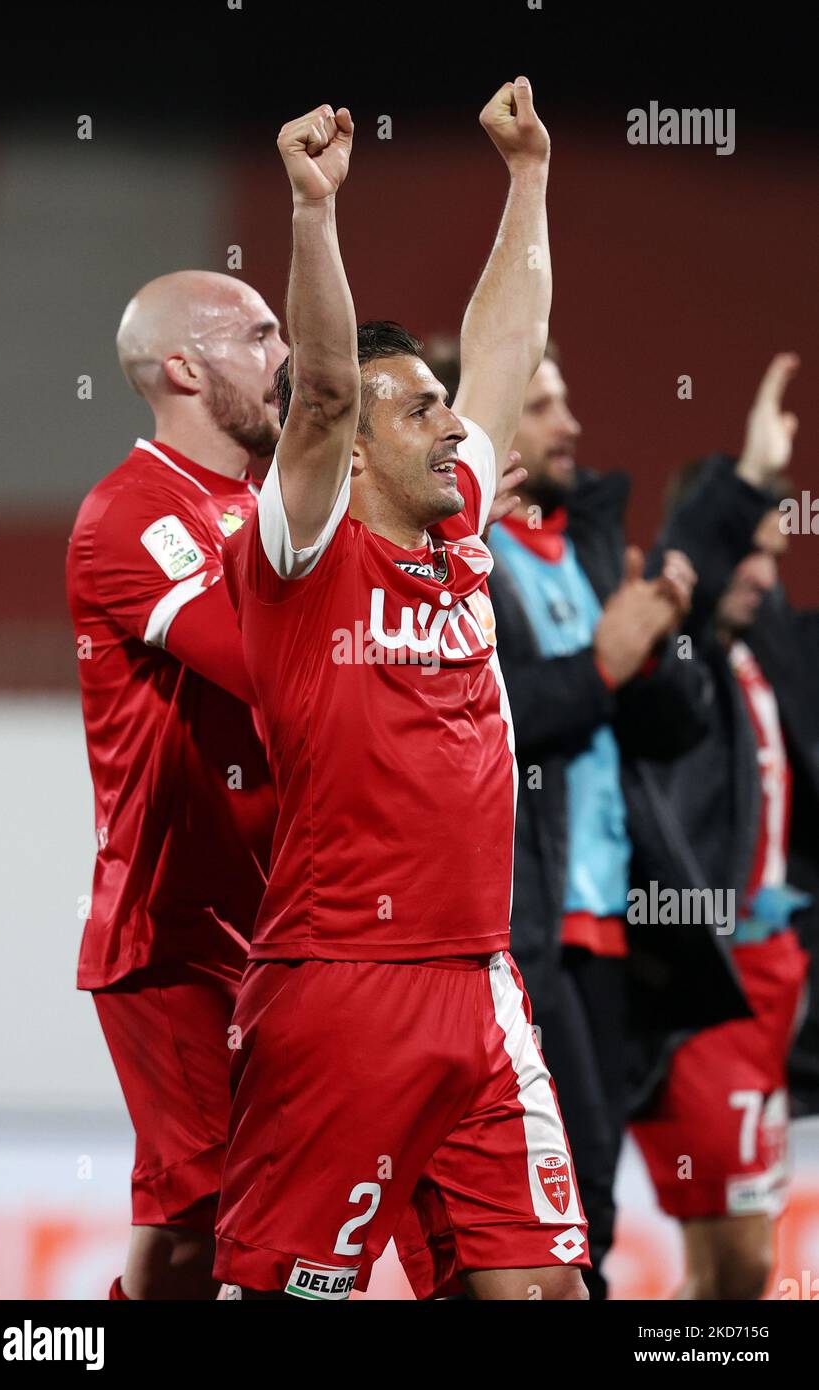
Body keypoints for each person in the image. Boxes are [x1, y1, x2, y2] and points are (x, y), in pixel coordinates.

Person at [214, 79, 599, 1303]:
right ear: (351, 447)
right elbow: (323, 389)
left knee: (540, 1291)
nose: (456, 427)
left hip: (481, 979)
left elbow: (502, 345)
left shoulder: (462, 528)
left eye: (447, 413)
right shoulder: (299, 548)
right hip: (343, 990)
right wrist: (313, 212)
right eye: (420, 410)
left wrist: (528, 179)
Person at [483, 343, 744, 1298]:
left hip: (607, 925)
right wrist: (600, 662)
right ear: (492, 422)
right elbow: (491, 723)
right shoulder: (466, 559)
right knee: (559, 1198)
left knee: (587, 1193)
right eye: (544, 404)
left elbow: (669, 727)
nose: (572, 426)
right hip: (520, 927)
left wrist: (664, 638)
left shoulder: (586, 543)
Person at [66, 271, 285, 1299]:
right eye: (261, 333)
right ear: (183, 368)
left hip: (276, 919)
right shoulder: (128, 514)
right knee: (209, 1221)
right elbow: (264, 662)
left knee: (213, 1218)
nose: (289, 355)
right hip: (174, 933)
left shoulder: (257, 507)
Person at [631, 353, 817, 1299]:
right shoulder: (682, 659)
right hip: (704, 987)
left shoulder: (763, 655)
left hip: (772, 987)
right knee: (737, 1258)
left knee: (741, 1262)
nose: (764, 576)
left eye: (777, 556)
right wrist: (743, 483)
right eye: (749, 552)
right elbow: (691, 591)